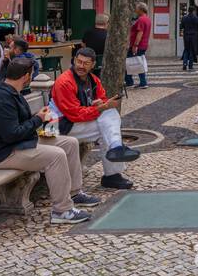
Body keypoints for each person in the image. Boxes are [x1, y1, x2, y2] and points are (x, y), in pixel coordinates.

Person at [0, 56, 98, 224]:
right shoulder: (1, 98)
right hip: (2, 152)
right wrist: (38, 119)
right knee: (55, 155)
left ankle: (75, 192)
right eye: (32, 75)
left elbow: (18, 127)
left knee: (70, 143)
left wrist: (38, 118)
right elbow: (11, 134)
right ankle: (62, 210)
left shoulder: (12, 92)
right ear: (26, 76)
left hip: (19, 143)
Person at [51, 47, 141, 190]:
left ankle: (116, 149)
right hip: (58, 126)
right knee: (107, 128)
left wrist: (100, 103)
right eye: (78, 62)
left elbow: (102, 98)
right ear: (74, 60)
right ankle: (113, 170)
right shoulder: (64, 82)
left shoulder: (93, 80)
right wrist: (100, 108)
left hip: (74, 123)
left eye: (86, 63)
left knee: (109, 117)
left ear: (93, 65)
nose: (81, 66)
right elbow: (73, 114)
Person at [127, 3, 152, 88]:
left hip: (138, 45)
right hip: (143, 44)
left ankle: (129, 82)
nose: (135, 10)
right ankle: (143, 82)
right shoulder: (147, 19)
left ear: (141, 10)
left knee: (127, 62)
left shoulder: (141, 20)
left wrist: (135, 45)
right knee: (139, 62)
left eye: (137, 8)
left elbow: (140, 33)